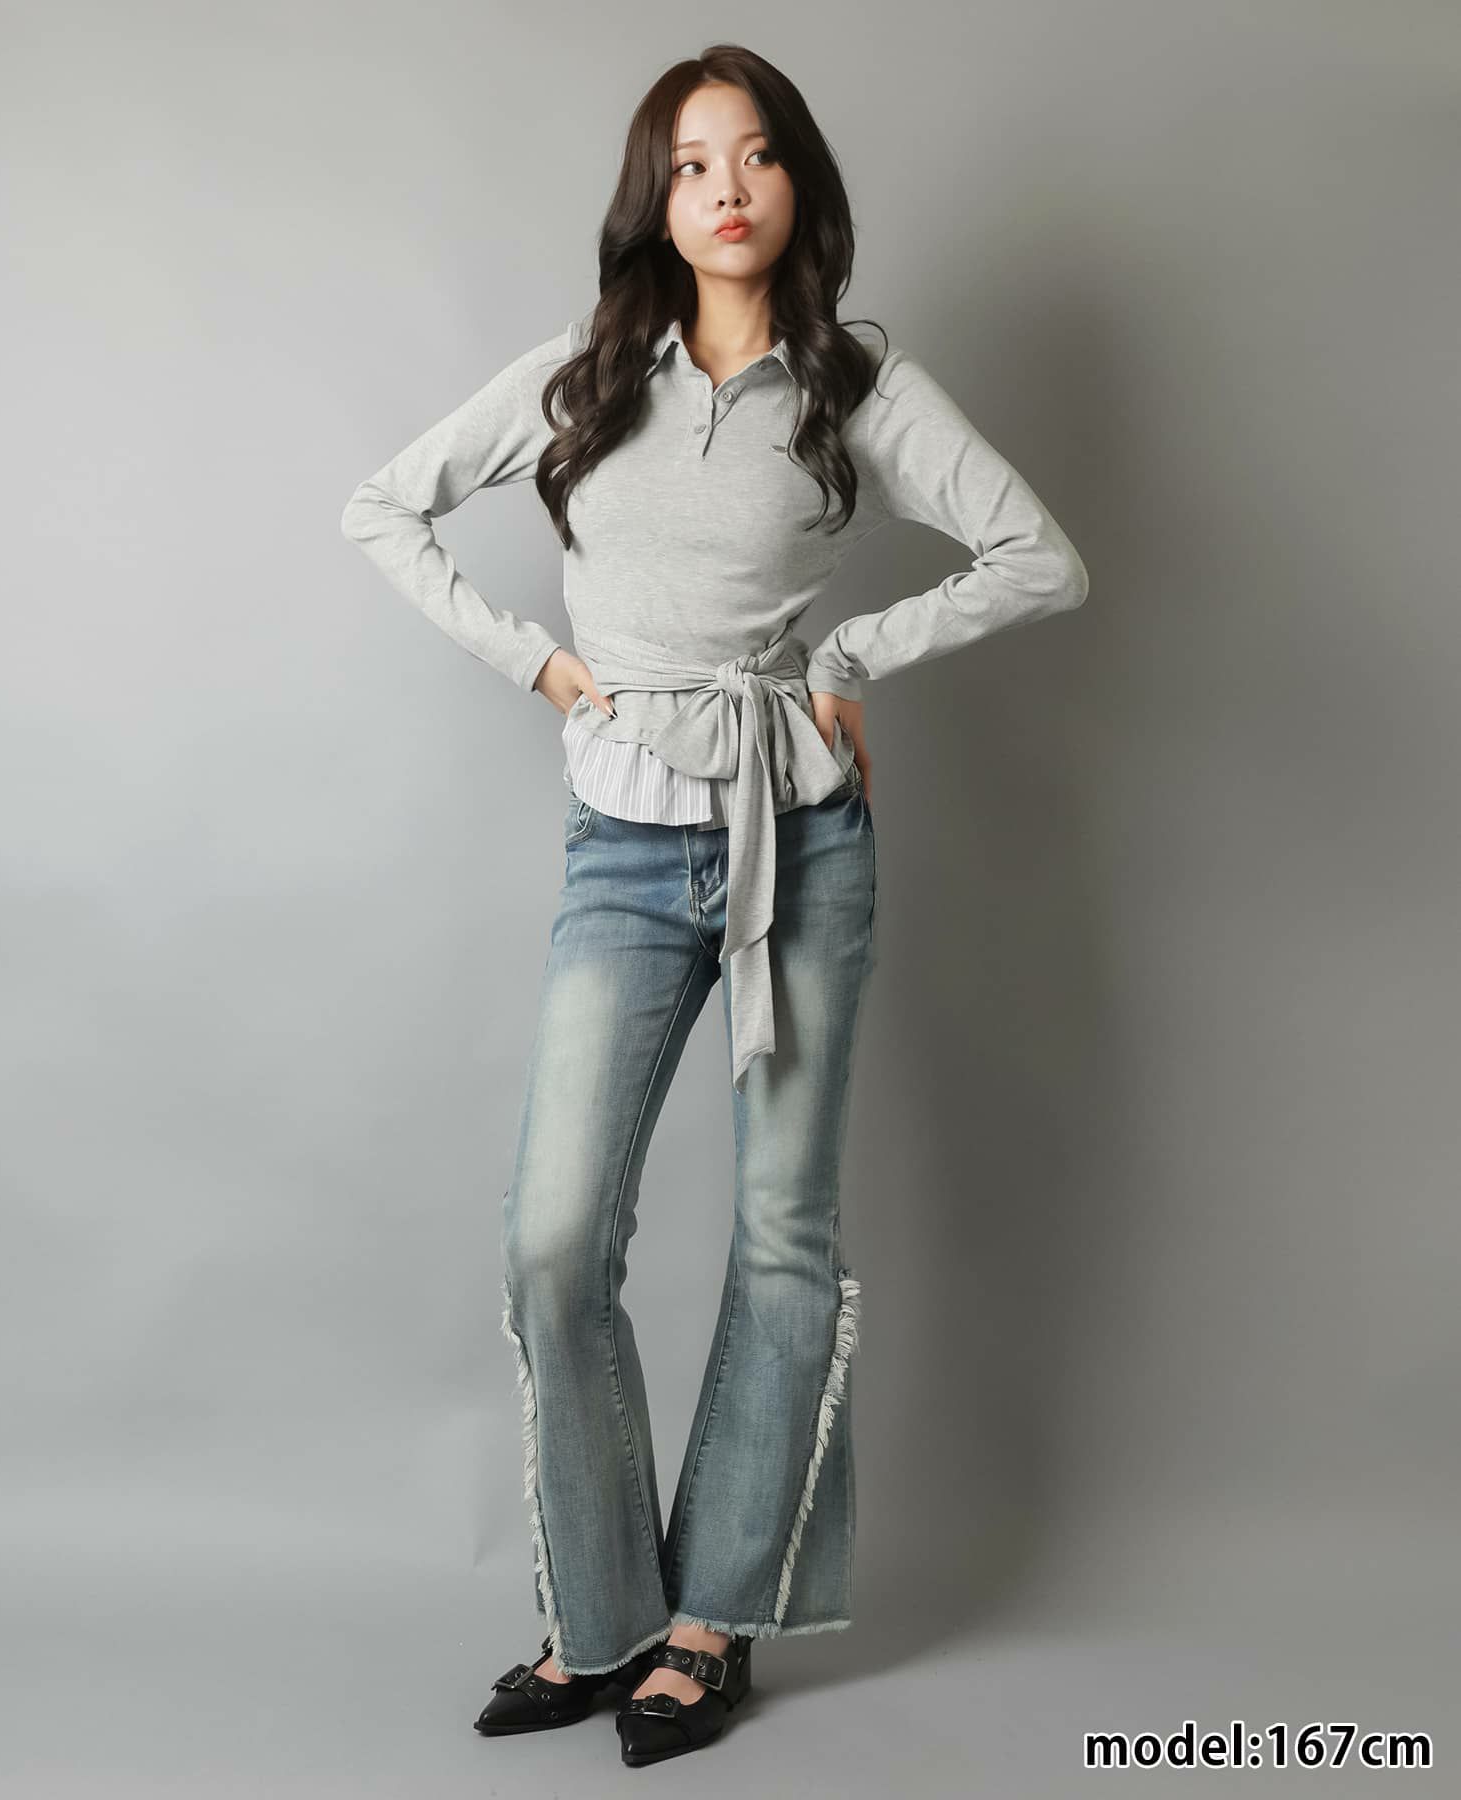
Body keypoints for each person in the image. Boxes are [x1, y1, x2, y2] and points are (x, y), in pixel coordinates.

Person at [340, 43, 1087, 1769]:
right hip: (624, 843)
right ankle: (601, 1616)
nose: (725, 188)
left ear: (797, 183)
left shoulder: (856, 384)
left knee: (782, 1233)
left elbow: (1039, 555)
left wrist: (851, 654)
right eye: (690, 164)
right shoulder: (586, 375)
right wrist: (542, 664)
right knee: (553, 1239)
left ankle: (711, 1619)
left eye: (753, 156)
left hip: (799, 841)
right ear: (656, 201)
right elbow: (382, 507)